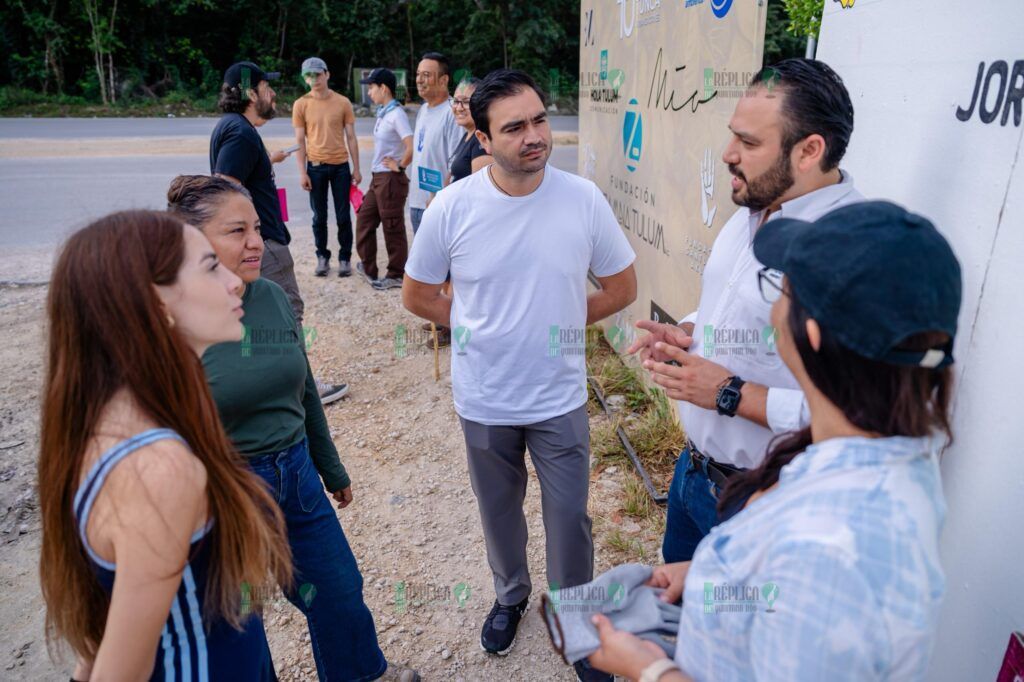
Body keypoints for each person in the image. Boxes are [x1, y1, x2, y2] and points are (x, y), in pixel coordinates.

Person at [586, 200, 962, 682]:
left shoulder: (830, 546)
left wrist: (648, 668)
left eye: (780, 288)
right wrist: (708, 580)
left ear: (812, 334)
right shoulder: (878, 456)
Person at [402, 69, 637, 682]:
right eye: (514, 127)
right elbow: (417, 294)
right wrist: (478, 324)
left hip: (558, 396)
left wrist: (557, 317)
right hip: (484, 397)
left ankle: (576, 622)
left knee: (570, 518)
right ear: (482, 138)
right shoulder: (454, 206)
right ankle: (510, 597)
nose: (534, 136)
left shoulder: (582, 198)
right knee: (498, 510)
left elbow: (621, 287)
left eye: (539, 120)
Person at [167, 176, 419, 682]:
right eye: (237, 231)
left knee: (339, 591)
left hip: (296, 475)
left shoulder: (272, 299)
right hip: (225, 489)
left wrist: (330, 466)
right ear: (192, 243)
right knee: (239, 625)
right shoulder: (172, 321)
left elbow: (304, 390)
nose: (256, 242)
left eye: (257, 227)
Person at [625, 58, 864, 563]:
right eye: (734, 135)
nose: (728, 154)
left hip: (765, 506)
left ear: (810, 150)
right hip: (692, 477)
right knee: (678, 633)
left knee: (728, 642)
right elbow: (728, 305)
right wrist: (687, 331)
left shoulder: (850, 251)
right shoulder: (756, 203)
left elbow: (857, 415)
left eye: (750, 143)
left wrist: (729, 393)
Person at [38, 210, 292, 681]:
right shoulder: (159, 469)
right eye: (210, 266)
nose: (234, 283)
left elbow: (107, 622)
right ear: (157, 305)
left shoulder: (108, 421)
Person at [211, 60, 348, 405]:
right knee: (287, 313)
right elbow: (226, 189)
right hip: (266, 245)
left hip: (261, 243)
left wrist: (264, 161)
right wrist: (251, 237)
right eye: (266, 87)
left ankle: (268, 387)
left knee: (258, 317)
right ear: (249, 92)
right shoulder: (241, 133)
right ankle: (303, 393)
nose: (272, 93)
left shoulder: (232, 128)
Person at [420, 76, 494, 349]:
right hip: (453, 220)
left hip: (468, 225)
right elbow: (454, 176)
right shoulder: (466, 135)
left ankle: (453, 327)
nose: (459, 107)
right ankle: (443, 320)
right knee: (448, 276)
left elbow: (480, 193)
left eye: (467, 102)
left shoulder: (481, 143)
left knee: (459, 280)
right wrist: (439, 197)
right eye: (457, 100)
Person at [293, 56, 361, 278]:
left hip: (340, 166)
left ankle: (345, 258)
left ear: (327, 74)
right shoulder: (301, 104)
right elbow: (300, 141)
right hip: (315, 167)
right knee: (318, 217)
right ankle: (322, 256)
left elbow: (351, 137)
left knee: (343, 216)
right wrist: (302, 172)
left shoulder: (342, 102)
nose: (314, 79)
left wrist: (356, 168)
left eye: (317, 74)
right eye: (309, 75)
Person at [355, 67, 413, 291]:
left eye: (372, 87)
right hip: (377, 178)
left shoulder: (396, 114)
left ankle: (396, 273)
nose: (369, 92)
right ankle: (368, 268)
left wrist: (399, 166)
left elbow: (410, 144)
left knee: (392, 227)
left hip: (390, 179)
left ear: (384, 88)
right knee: (365, 219)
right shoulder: (384, 113)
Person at [408, 52, 463, 235]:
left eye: (426, 75)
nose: (419, 80)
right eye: (418, 74)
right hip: (417, 202)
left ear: (443, 80)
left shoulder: (453, 112)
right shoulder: (423, 110)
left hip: (439, 205)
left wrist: (440, 199)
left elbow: (458, 164)